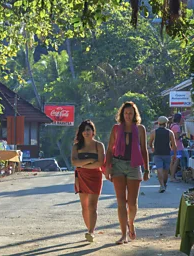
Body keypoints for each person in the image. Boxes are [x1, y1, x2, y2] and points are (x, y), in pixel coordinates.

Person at [105, 101, 149, 245]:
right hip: (118, 165)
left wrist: (147, 169)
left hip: (134, 165)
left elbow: (144, 149)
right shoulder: (116, 129)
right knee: (120, 202)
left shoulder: (140, 129)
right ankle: (123, 234)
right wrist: (108, 167)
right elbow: (110, 149)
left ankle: (131, 222)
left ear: (134, 114)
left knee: (132, 203)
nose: (128, 116)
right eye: (126, 113)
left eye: (130, 113)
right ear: (122, 114)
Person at [71, 120, 105, 243]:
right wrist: (90, 160)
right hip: (81, 177)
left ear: (93, 131)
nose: (86, 132)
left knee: (92, 206)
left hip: (95, 176)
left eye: (88, 129)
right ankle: (89, 228)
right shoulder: (76, 146)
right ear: (81, 132)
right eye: (84, 130)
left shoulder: (99, 145)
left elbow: (100, 163)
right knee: (84, 206)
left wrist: (82, 164)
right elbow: (74, 162)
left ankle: (91, 231)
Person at [148, 116, 177, 193]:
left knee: (159, 170)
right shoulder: (170, 133)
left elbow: (150, 143)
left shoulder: (154, 132)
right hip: (167, 154)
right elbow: (174, 145)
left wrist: (152, 148)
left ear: (158, 123)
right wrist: (174, 154)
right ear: (166, 123)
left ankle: (162, 185)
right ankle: (164, 184)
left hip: (157, 154)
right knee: (166, 171)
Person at [169, 113, 184, 182]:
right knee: (176, 162)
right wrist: (183, 134)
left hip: (173, 146)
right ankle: (172, 177)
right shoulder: (177, 127)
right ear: (179, 119)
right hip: (178, 147)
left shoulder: (172, 126)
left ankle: (172, 176)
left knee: (172, 161)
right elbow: (177, 137)